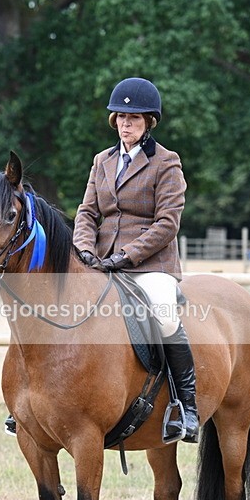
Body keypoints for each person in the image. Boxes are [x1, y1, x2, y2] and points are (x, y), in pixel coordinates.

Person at [72, 77, 199, 444]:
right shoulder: (103, 161)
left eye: (134, 118)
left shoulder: (166, 162)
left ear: (149, 122)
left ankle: (186, 407)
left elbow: (167, 224)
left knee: (163, 313)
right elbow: (87, 212)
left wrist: (125, 256)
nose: (125, 124)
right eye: (121, 118)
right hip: (100, 260)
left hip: (149, 264)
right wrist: (85, 250)